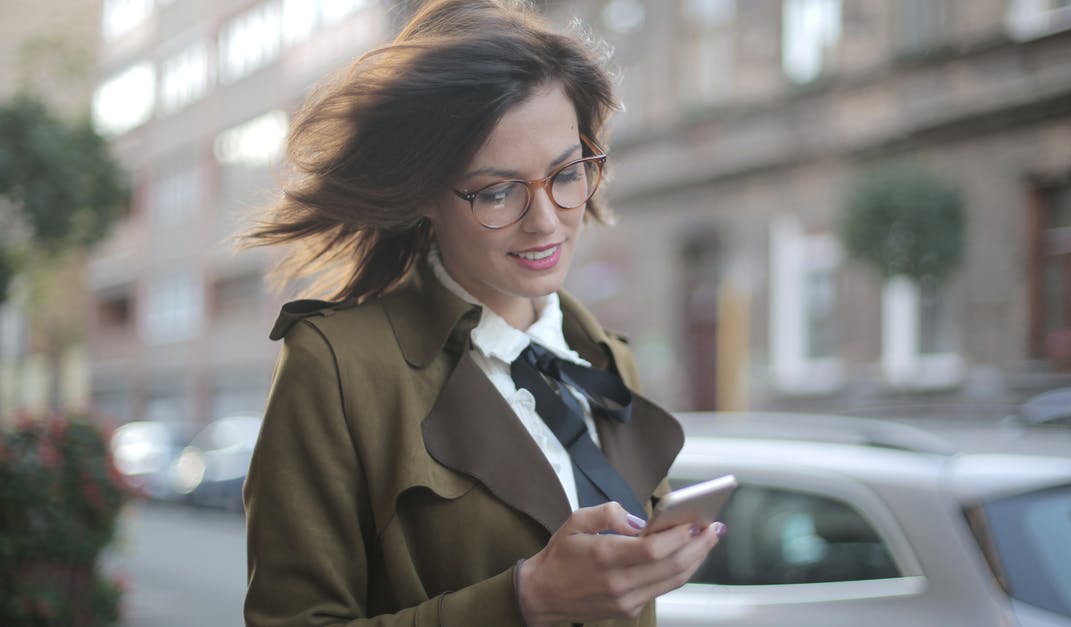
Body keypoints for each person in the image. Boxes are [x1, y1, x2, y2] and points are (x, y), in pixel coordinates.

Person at [239, 1, 725, 625]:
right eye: (497, 191)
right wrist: (525, 598)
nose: (546, 220)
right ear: (424, 196)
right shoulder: (336, 366)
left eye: (567, 173)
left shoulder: (604, 358)